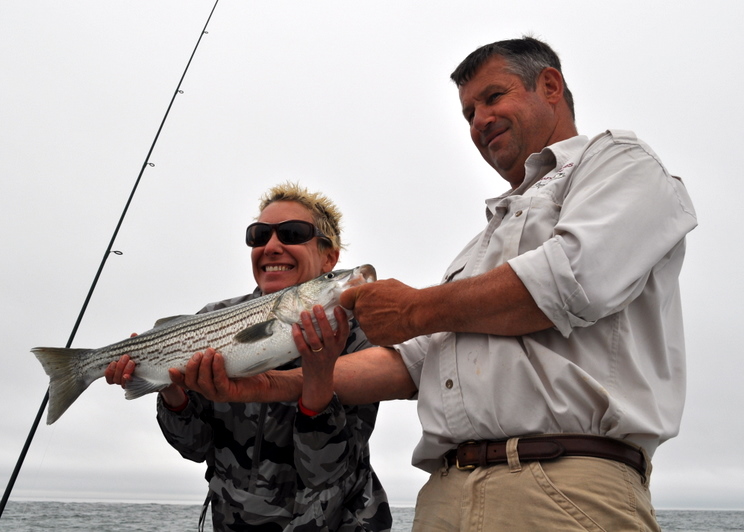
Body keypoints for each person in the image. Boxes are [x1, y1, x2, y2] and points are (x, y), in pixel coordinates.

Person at [195, 37, 698, 531]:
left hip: (559, 487)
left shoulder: (620, 163)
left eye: (493, 97)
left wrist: (414, 309)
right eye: (468, 113)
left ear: (549, 85)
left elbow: (572, 277)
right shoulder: (477, 249)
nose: (479, 120)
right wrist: (265, 384)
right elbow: (410, 362)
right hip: (444, 493)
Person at [105, 182, 392, 531]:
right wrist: (170, 386)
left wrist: (318, 377)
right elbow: (195, 447)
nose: (271, 246)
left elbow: (325, 472)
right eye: (258, 236)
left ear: (329, 257)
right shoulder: (212, 318)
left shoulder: (358, 340)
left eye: (292, 233)